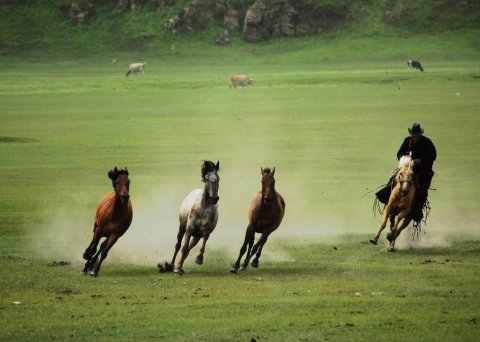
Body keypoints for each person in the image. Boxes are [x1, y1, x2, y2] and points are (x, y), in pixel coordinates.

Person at [376, 123, 436, 223]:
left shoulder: (427, 142)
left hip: (422, 172)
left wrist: (419, 161)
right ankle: (388, 203)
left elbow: (433, 155)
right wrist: (403, 159)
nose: (415, 137)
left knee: (422, 193)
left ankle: (416, 213)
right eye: (413, 135)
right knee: (392, 182)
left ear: (420, 135)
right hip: (407, 169)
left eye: (417, 136)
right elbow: (399, 153)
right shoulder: (407, 140)